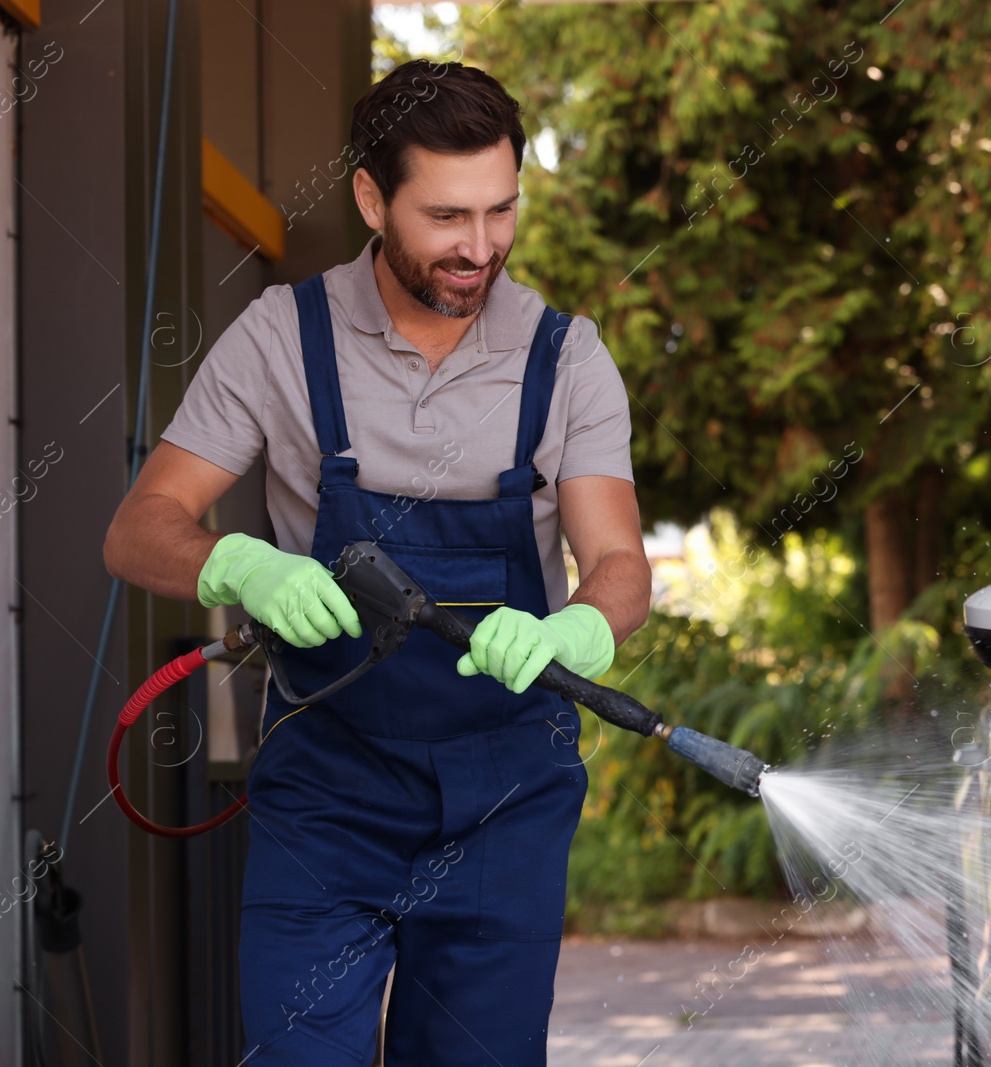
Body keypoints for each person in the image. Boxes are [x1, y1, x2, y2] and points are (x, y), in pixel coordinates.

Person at [102, 58, 650, 1066]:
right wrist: (238, 563)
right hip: (327, 794)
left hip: (505, 802)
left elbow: (617, 559)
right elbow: (139, 527)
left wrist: (580, 624)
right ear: (370, 197)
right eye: (446, 216)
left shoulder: (565, 358)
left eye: (500, 211)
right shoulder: (282, 338)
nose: (478, 247)